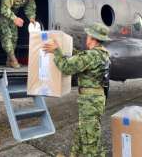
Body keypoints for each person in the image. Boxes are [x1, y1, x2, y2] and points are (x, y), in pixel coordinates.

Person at [43, 22, 111, 157]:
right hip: (95, 100)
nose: (86, 38)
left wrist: (56, 51)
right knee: (83, 131)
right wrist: (68, 49)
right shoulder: (103, 54)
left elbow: (66, 67)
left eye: (88, 36)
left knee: (89, 140)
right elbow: (82, 57)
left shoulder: (91, 56)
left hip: (90, 103)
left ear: (92, 37)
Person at [0, 0, 37, 68]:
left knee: (14, 37)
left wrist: (31, 18)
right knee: (7, 36)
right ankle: (13, 60)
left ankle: (8, 61)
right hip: (1, 14)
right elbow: (4, 9)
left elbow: (30, 7)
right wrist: (15, 19)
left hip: (12, 16)